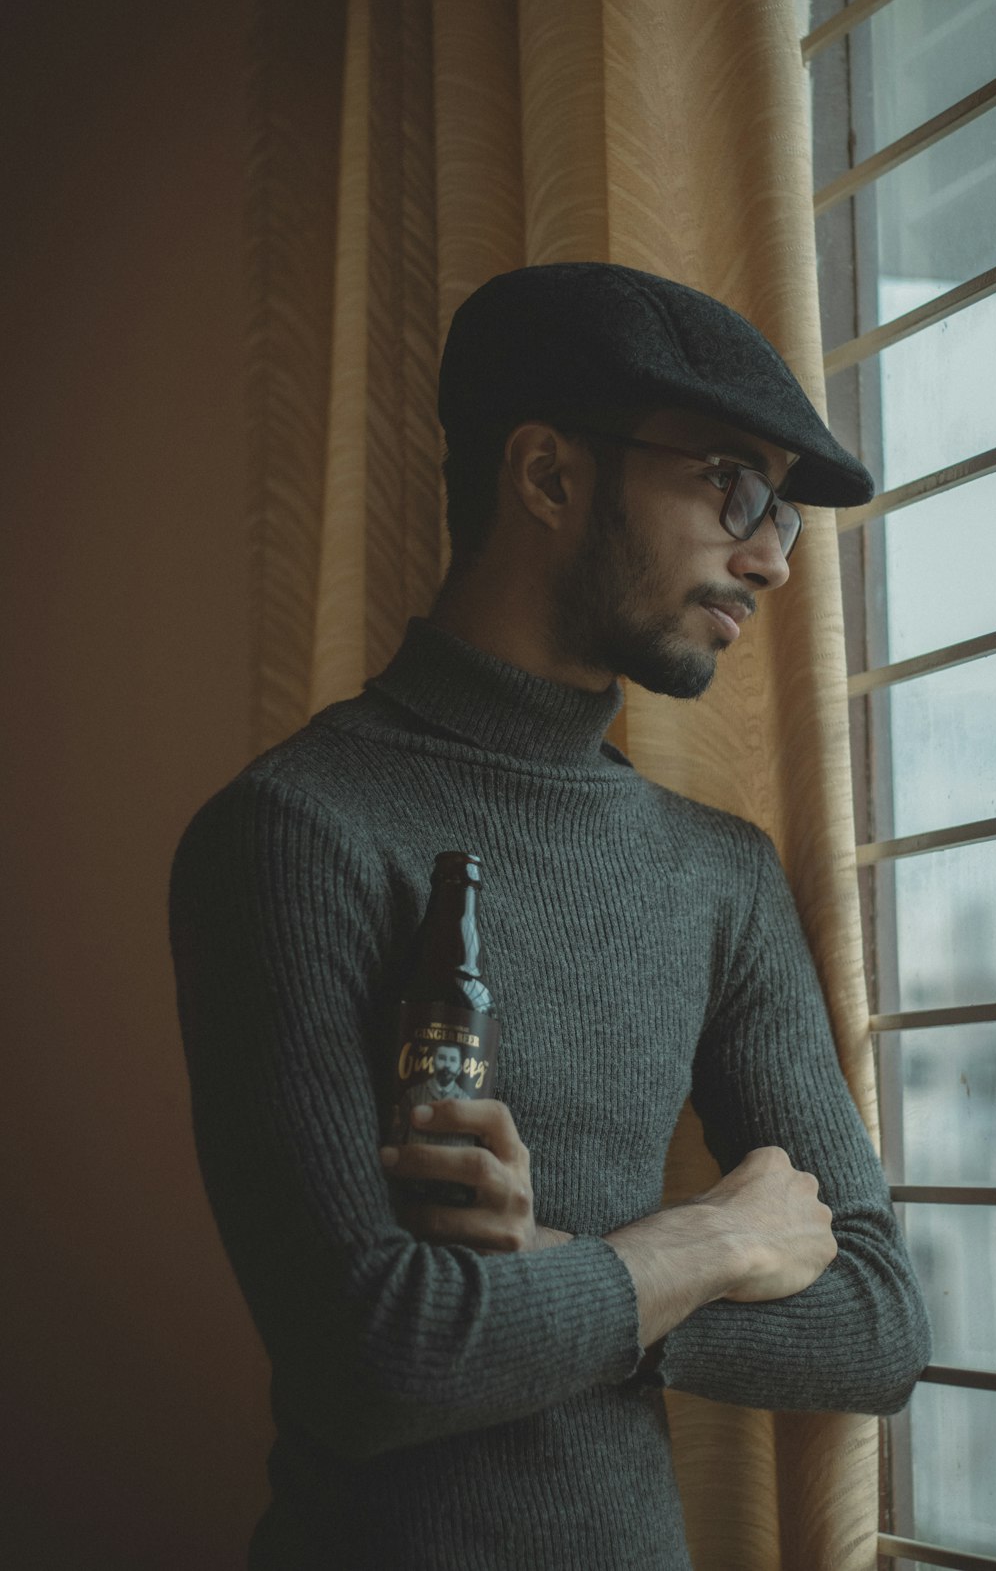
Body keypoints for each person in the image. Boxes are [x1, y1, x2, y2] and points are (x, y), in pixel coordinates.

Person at [169, 262, 932, 1571]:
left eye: (785, 519)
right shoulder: (295, 831)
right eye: (729, 486)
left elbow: (875, 1330)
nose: (770, 555)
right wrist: (708, 1240)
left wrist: (573, 1268)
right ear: (548, 476)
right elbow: (375, 1355)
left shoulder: (716, 874)